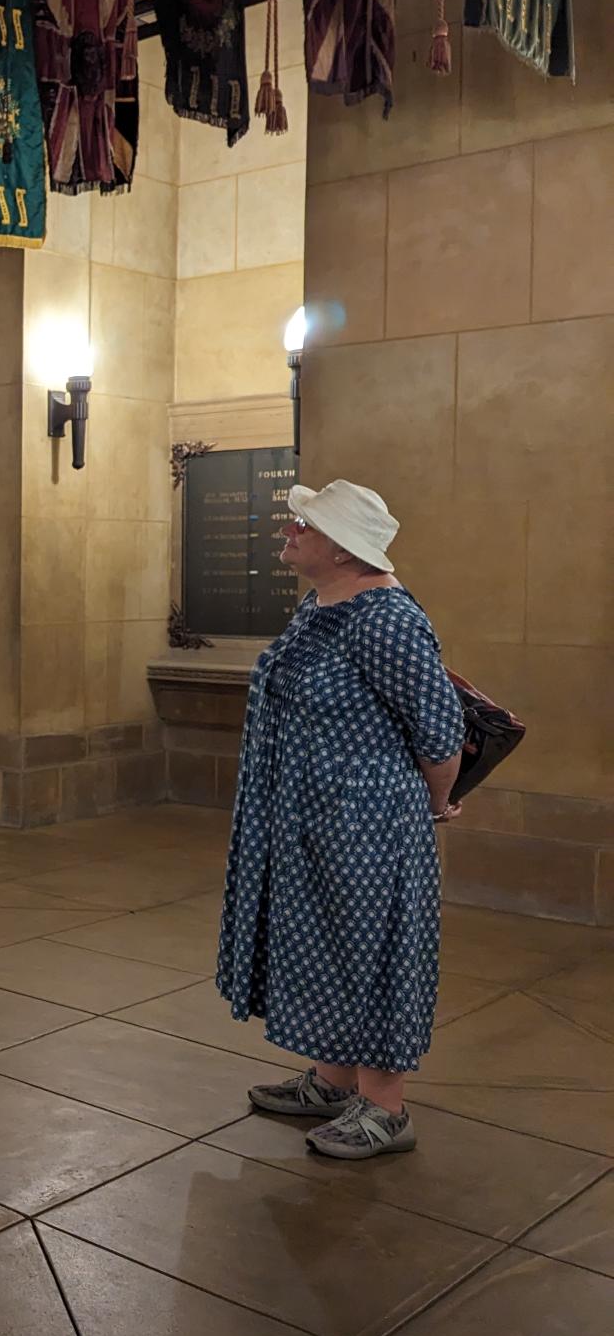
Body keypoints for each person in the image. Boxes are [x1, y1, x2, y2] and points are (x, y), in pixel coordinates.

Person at [215, 479, 464, 1160]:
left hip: (366, 823)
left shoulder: (387, 618)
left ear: (346, 550)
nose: (290, 531)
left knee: (373, 952)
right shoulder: (320, 603)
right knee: (322, 944)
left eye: (305, 526)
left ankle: (385, 1107)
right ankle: (331, 1081)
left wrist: (435, 805)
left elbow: (441, 734)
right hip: (307, 818)